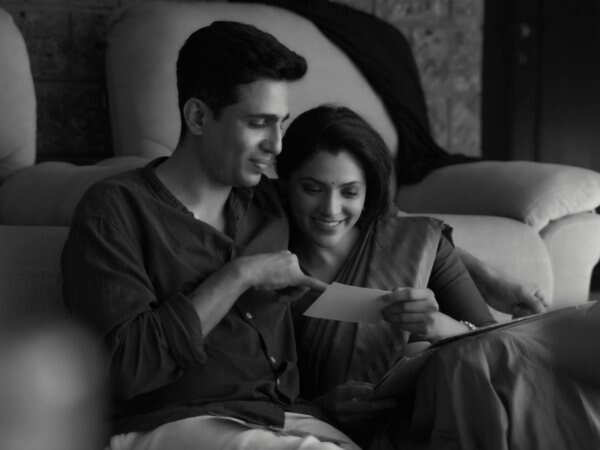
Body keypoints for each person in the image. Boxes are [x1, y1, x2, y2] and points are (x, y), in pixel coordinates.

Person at [61, 22, 362, 450]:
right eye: (258, 123)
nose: (276, 145)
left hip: (278, 417)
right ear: (198, 117)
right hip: (165, 423)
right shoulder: (116, 210)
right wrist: (239, 275)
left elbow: (380, 225)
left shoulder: (270, 204)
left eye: (281, 124)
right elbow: (126, 368)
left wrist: (433, 313)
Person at [276, 105, 600, 450]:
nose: (330, 208)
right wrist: (322, 408)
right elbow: (255, 385)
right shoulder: (268, 259)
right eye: (312, 189)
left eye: (350, 192)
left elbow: (492, 352)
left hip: (451, 409)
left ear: (369, 190)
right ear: (285, 183)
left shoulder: (416, 244)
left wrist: (441, 327)